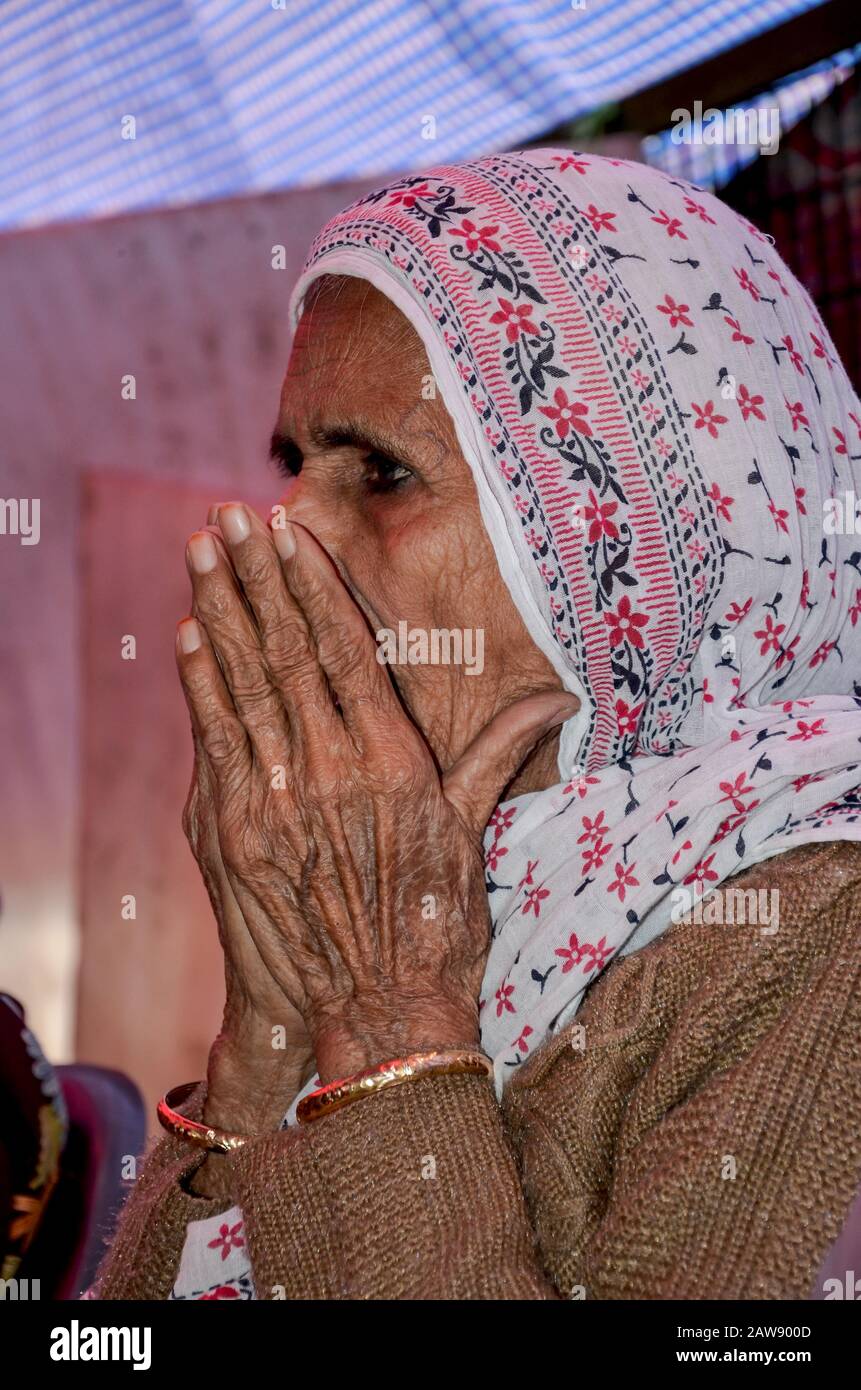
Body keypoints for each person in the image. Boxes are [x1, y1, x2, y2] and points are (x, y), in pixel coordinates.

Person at [95, 149, 861, 1300]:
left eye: (383, 474)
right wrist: (267, 1039)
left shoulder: (822, 942)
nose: (285, 530)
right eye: (295, 464)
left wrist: (389, 1018)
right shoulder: (431, 882)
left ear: (619, 564)